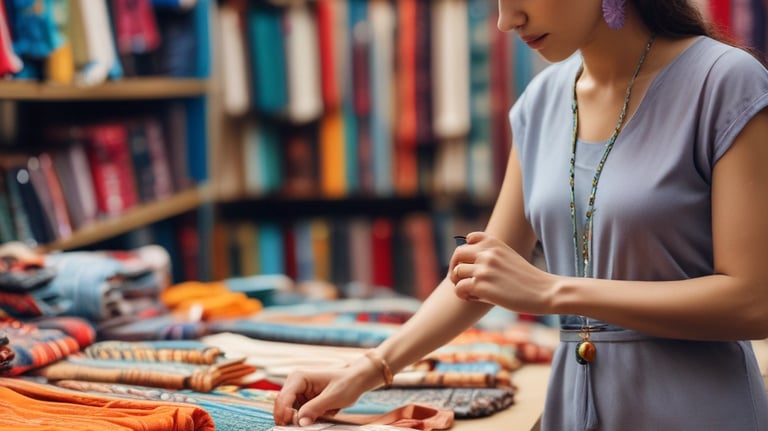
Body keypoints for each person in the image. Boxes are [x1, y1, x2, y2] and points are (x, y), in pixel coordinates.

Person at [273, 0, 768, 429]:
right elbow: (481, 271)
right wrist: (368, 369)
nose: (505, 20)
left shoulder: (724, 83)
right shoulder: (543, 101)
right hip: (572, 410)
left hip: (698, 412)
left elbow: (754, 301)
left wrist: (552, 291)